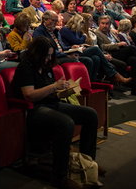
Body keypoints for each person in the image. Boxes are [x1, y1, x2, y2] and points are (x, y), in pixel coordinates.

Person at [11, 36, 100, 189]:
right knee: (66, 123)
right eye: (46, 55)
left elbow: (49, 92)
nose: (49, 58)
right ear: (37, 54)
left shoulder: (45, 66)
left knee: (90, 114)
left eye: (51, 55)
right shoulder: (25, 67)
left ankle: (87, 164)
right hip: (33, 109)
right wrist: (53, 87)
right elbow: (29, 95)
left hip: (50, 103)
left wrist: (63, 91)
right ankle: (59, 176)